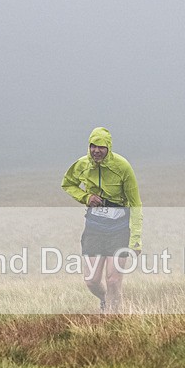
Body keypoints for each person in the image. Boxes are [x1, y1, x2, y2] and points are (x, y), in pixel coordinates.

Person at [62, 127, 142, 312]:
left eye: (101, 147)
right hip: (95, 227)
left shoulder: (122, 167)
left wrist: (136, 240)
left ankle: (113, 319)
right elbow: (67, 184)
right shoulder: (82, 164)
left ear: (108, 148)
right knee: (91, 281)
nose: (96, 150)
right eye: (92, 146)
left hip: (119, 228)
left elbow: (136, 204)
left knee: (113, 280)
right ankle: (106, 299)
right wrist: (86, 197)